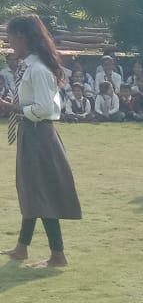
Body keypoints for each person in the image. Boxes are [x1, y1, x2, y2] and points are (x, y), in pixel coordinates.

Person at [0, 15, 82, 268]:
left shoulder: (38, 69)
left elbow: (45, 108)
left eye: (11, 37)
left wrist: (15, 109)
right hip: (31, 132)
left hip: (39, 134)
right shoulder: (29, 66)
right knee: (32, 189)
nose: (9, 43)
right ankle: (22, 247)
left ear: (22, 37)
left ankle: (58, 255)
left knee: (41, 191)